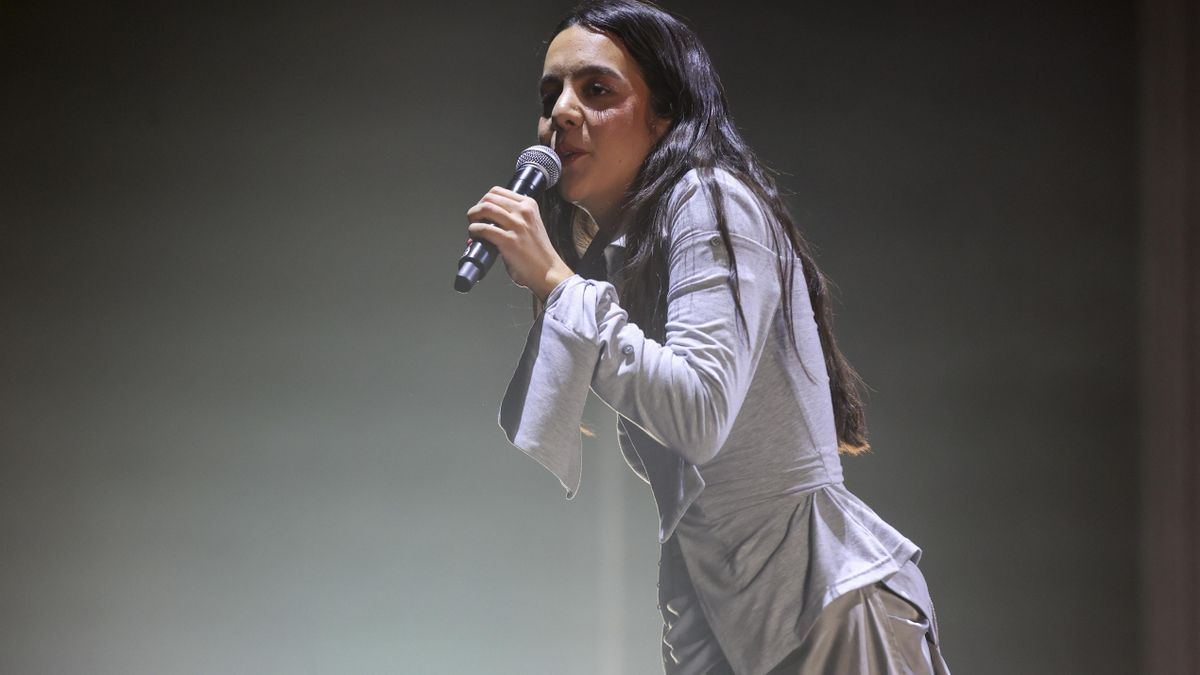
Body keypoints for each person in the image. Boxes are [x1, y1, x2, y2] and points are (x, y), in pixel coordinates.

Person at [465, 1, 952, 673]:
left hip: (823, 605)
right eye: (550, 95)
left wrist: (557, 284)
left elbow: (697, 414)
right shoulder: (627, 255)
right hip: (727, 619)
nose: (561, 114)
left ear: (663, 113)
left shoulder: (708, 196)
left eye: (596, 89)